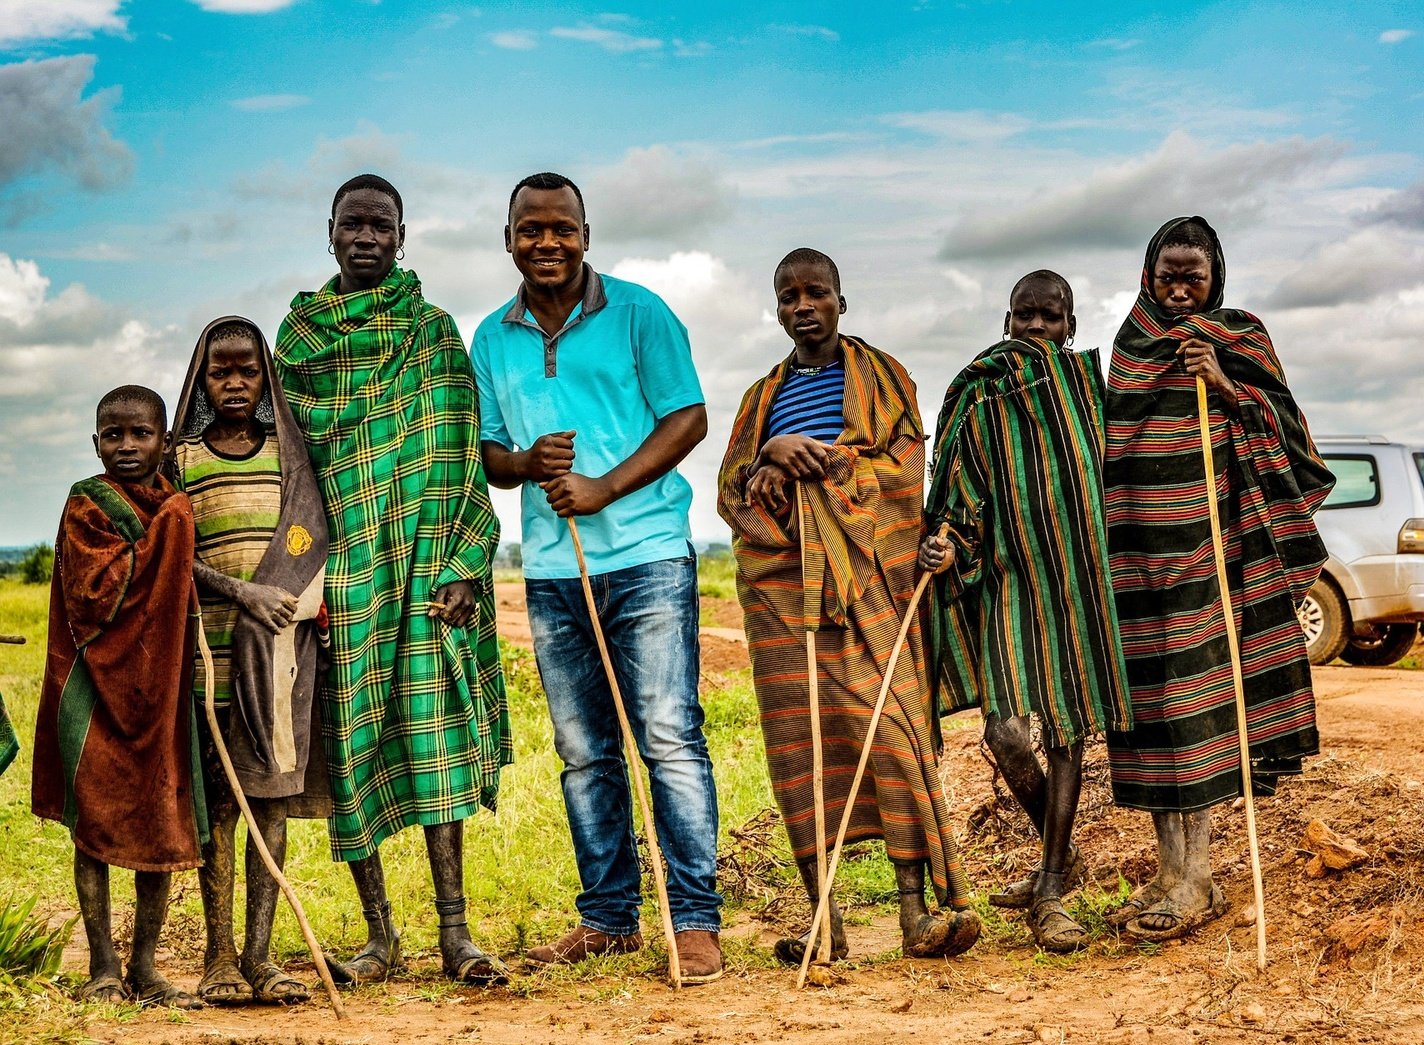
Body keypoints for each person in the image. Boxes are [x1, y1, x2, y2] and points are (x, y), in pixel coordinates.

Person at [471, 172, 723, 983]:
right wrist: (524, 462)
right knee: (584, 753)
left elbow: (688, 415)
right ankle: (610, 919)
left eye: (562, 228)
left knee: (669, 738)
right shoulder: (491, 337)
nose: (547, 242)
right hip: (553, 571)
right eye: (530, 229)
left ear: (587, 232)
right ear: (508, 236)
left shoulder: (641, 313)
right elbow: (487, 452)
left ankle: (693, 920)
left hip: (647, 556)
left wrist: (605, 486)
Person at [274, 174, 511, 984]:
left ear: (403, 237)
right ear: (329, 232)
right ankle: (380, 939)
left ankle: (456, 936)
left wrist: (463, 566)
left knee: (435, 742)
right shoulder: (300, 340)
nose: (366, 236)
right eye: (353, 224)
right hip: (342, 579)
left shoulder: (435, 333)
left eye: (382, 225)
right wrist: (311, 575)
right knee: (351, 747)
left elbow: (457, 458)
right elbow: (289, 469)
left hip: (423, 572)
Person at [718, 247, 978, 964]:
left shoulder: (887, 378)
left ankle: (913, 914)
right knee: (801, 748)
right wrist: (771, 451)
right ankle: (824, 923)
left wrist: (821, 461)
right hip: (782, 592)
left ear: (841, 300)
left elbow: (903, 474)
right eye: (788, 297)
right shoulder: (759, 398)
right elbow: (733, 489)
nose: (803, 306)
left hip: (869, 586)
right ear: (777, 308)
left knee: (891, 734)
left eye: (816, 293)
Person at [1102, 216, 1334, 939]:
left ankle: (1198, 879)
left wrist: (1226, 384)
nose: (1178, 290)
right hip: (1135, 559)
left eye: (1192, 277)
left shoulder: (1241, 338)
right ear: (1147, 275)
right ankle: (1167, 874)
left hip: (1211, 555)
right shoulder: (1128, 347)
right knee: (1149, 718)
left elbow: (1291, 440)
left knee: (1196, 707)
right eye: (1167, 275)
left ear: (1215, 280)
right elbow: (1110, 442)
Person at [921, 270, 1133, 952]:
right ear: (1006, 320)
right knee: (1007, 735)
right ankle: (1063, 857)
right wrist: (948, 544)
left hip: (1077, 582)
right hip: (1009, 580)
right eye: (1026, 316)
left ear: (1071, 324)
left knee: (1069, 726)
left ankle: (1049, 886)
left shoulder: (1091, 397)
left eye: (1052, 317)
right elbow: (956, 485)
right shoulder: (979, 395)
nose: (1038, 328)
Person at [169, 316, 330, 1006]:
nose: (234, 381)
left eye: (247, 369)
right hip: (210, 663)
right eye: (219, 370)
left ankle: (262, 958)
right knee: (220, 810)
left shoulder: (289, 460)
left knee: (269, 803)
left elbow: (317, 545)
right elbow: (171, 559)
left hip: (280, 660)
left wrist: (294, 606)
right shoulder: (178, 462)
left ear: (267, 377)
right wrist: (242, 591)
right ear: (201, 381)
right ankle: (218, 956)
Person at [32, 385, 206, 1009]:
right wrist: (172, 531)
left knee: (160, 819)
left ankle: (145, 965)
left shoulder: (173, 503)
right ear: (95, 442)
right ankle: (102, 963)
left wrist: (175, 524)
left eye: (141, 434)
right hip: (92, 687)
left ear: (164, 440)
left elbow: (178, 574)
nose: (127, 446)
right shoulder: (88, 503)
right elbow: (92, 591)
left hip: (159, 691)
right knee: (94, 824)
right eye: (113, 434)